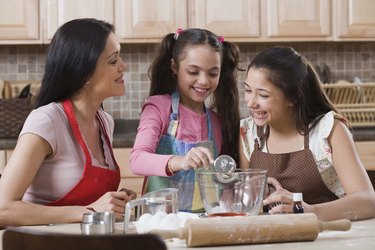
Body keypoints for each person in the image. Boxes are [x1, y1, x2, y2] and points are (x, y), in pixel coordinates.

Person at [0, 18, 136, 227]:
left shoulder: (105, 122)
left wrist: (115, 202)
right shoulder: (47, 120)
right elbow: (3, 208)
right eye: (113, 60)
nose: (123, 66)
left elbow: (92, 202)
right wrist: (91, 211)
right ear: (84, 73)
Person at [239, 46, 375, 221]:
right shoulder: (248, 133)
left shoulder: (328, 131)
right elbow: (244, 204)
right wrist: (255, 190)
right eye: (248, 90)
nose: (250, 102)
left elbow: (368, 201)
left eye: (263, 95)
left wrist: (310, 211)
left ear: (294, 97)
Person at [130, 28, 241, 212]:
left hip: (203, 224)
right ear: (174, 67)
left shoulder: (217, 121)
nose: (204, 81)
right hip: (161, 223)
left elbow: (223, 179)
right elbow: (137, 160)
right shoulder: (158, 108)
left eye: (213, 73)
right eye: (193, 71)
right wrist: (180, 161)